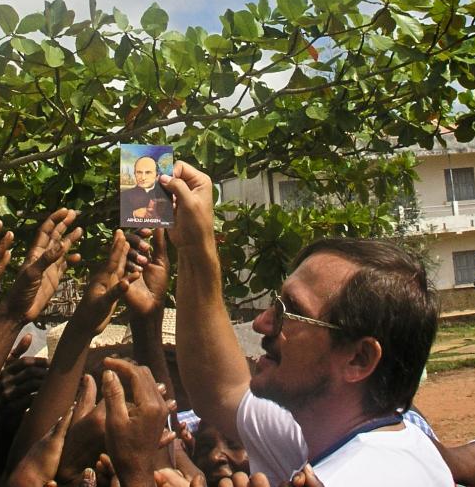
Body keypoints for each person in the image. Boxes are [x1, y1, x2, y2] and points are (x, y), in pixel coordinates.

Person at [161, 161, 453, 486]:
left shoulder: (362, 477)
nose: (261, 323)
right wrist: (194, 246)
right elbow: (221, 391)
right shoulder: (330, 431)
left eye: (290, 312)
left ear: (359, 359)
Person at [121, 156, 173, 226]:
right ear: (134, 174)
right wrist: (134, 214)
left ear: (157, 175)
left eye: (148, 172)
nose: (143, 177)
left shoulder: (168, 195)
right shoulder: (124, 196)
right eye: (139, 172)